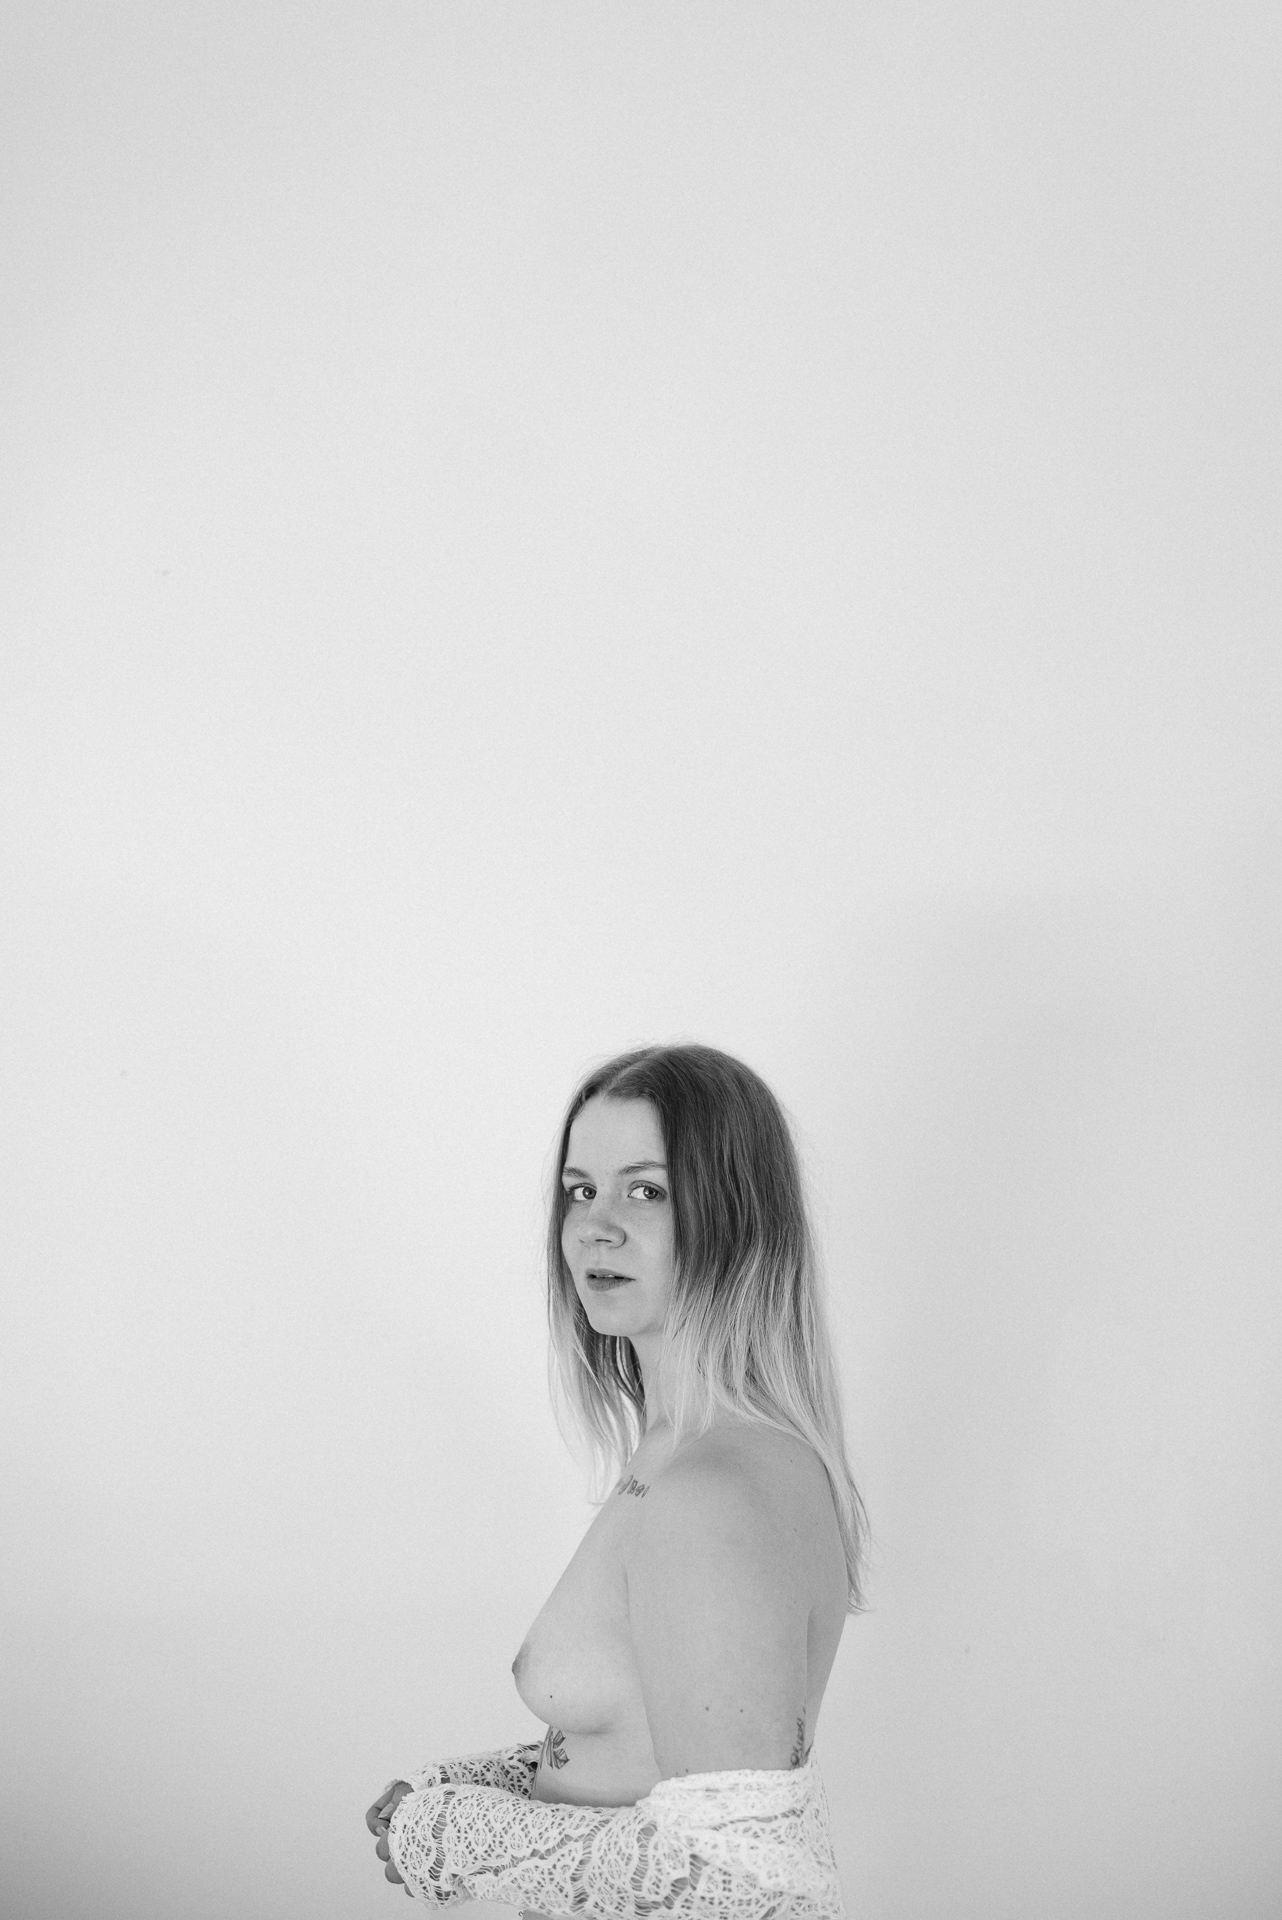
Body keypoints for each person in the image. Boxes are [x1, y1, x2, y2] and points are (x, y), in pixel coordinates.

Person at [366, 1043, 868, 1917]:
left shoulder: (713, 1491)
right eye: (579, 1190)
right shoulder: (682, 1449)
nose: (595, 1226)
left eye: (646, 1191)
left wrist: (454, 1837)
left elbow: (740, 1884)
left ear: (736, 1218)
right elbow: (651, 1748)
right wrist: (492, 1785)